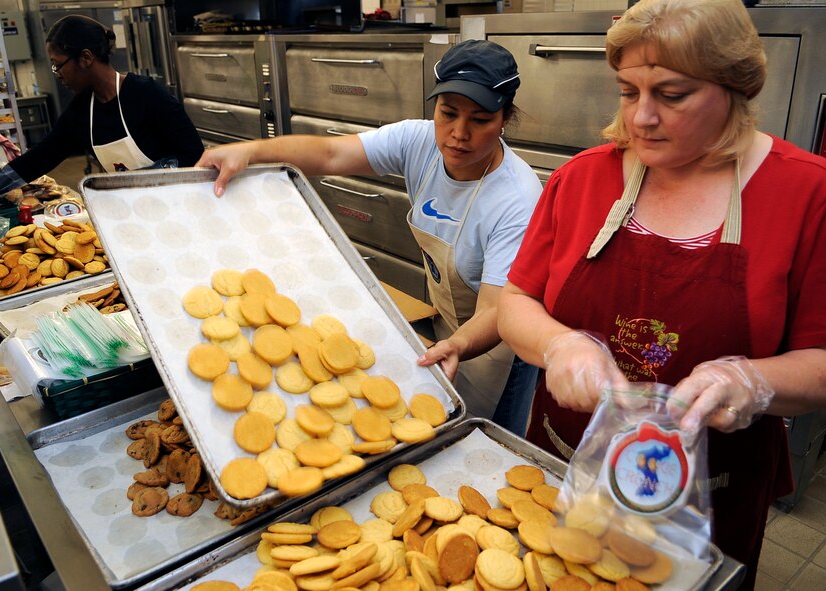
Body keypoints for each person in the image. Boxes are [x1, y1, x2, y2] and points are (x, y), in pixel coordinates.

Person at [497, 0, 826, 587]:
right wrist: (560, 345)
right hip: (564, 465)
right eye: (628, 91)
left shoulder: (805, 196)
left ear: (735, 88)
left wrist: (749, 380)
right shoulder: (582, 179)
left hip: (709, 493)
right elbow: (516, 303)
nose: (641, 118)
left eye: (672, 95)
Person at [197, 40, 543, 434]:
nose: (458, 134)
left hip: (499, 342)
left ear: (504, 119)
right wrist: (252, 152)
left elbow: (497, 310)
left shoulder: (516, 199)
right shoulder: (419, 142)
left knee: (483, 436)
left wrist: (459, 345)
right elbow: (329, 154)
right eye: (448, 114)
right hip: (450, 325)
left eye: (480, 120)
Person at [0, 15, 203, 212]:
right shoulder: (82, 111)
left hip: (180, 205)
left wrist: (131, 182)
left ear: (86, 58)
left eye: (58, 64)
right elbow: (39, 158)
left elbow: (192, 154)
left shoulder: (145, 94)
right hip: (132, 210)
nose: (57, 74)